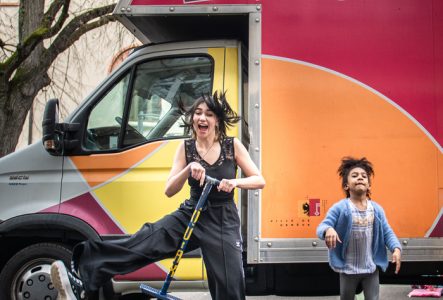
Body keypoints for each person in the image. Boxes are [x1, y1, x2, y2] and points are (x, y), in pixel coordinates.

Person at [50, 91, 265, 300]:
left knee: (230, 285)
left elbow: (259, 180)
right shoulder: (186, 148)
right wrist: (188, 169)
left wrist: (235, 182)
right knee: (143, 242)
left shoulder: (231, 146)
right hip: (191, 213)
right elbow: (169, 189)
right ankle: (81, 275)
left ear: (216, 120)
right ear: (192, 119)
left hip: (222, 219)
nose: (202, 117)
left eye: (209, 114)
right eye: (198, 113)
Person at [316, 157, 401, 300]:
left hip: (370, 269)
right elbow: (322, 226)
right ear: (346, 186)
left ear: (369, 186)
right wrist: (328, 230)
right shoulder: (340, 208)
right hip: (348, 269)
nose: (360, 178)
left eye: (364, 176)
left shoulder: (376, 210)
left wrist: (396, 248)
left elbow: (387, 232)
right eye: (354, 176)